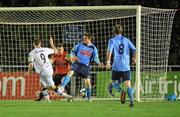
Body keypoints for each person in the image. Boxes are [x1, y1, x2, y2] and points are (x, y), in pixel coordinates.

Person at [59, 32, 104, 102]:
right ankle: (62, 87)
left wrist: (99, 63)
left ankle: (88, 98)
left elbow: (96, 58)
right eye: (83, 38)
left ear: (89, 39)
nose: (83, 39)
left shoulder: (93, 48)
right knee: (70, 72)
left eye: (85, 38)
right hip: (77, 64)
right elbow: (72, 52)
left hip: (85, 67)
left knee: (88, 84)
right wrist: (74, 57)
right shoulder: (79, 45)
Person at [25, 38, 72, 102]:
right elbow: (55, 51)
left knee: (52, 87)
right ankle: (47, 101)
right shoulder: (45, 49)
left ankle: (67, 96)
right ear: (40, 43)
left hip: (44, 71)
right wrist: (52, 44)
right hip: (49, 69)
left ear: (33, 44)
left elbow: (31, 64)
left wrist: (29, 71)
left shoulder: (32, 53)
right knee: (42, 84)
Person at [106, 24, 136, 107]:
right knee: (128, 84)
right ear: (122, 31)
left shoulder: (112, 40)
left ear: (113, 32)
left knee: (113, 82)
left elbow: (109, 51)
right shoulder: (127, 40)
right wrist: (134, 59)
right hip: (126, 66)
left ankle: (121, 90)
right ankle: (131, 101)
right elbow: (135, 50)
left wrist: (108, 62)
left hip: (116, 66)